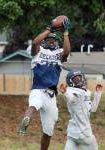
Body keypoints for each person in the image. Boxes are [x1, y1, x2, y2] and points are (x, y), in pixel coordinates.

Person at [19, 17, 71, 150]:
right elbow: (36, 42)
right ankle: (26, 121)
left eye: (54, 40)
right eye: (49, 39)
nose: (52, 42)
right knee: (33, 105)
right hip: (38, 89)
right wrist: (49, 29)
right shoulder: (38, 52)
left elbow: (66, 52)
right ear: (45, 41)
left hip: (51, 96)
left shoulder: (59, 54)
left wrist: (65, 33)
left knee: (48, 132)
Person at [59, 69, 103, 150]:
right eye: (75, 79)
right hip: (84, 133)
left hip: (72, 133)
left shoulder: (85, 92)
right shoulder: (72, 91)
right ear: (71, 82)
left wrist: (98, 94)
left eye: (79, 77)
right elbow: (72, 99)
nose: (79, 80)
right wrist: (65, 93)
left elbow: (93, 109)